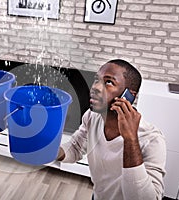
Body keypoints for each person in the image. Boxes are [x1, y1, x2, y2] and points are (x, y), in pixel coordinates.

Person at [57, 59, 166, 200]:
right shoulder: (91, 116)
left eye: (108, 82)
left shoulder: (153, 140)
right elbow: (75, 148)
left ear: (129, 96)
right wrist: (49, 151)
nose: (95, 87)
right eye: (96, 80)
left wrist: (130, 139)